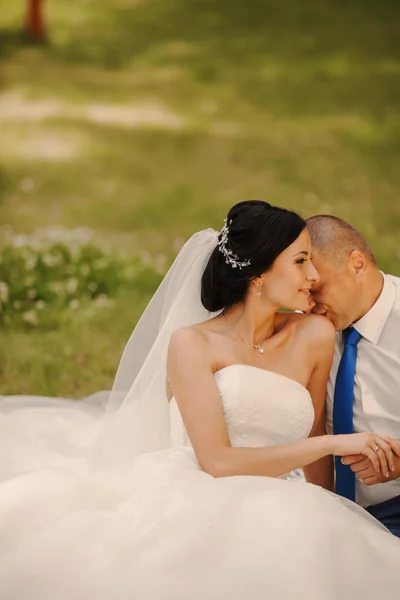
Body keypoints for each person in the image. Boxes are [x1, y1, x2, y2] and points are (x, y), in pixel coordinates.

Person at [0, 200, 400, 600]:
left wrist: (334, 517)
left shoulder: (314, 334)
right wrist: (335, 443)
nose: (312, 277)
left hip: (287, 498)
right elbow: (218, 463)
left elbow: (313, 429)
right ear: (259, 273)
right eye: (300, 261)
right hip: (200, 492)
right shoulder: (191, 344)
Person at [306, 214, 400, 537]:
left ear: (356, 264)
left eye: (317, 289)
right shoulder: (310, 331)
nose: (310, 307)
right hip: (325, 506)